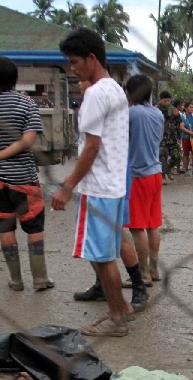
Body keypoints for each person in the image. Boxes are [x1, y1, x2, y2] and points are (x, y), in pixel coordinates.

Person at [51, 28, 133, 337]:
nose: (72, 69)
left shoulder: (97, 93)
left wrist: (67, 185)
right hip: (112, 184)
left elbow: (92, 146)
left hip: (99, 186)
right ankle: (121, 309)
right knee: (104, 255)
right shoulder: (115, 90)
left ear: (91, 58)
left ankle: (116, 316)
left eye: (75, 62)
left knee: (101, 257)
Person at [0, 56, 52, 292]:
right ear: (15, 78)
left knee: (6, 230)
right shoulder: (26, 104)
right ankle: (40, 279)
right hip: (25, 179)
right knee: (34, 229)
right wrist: (4, 153)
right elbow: (28, 140)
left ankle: (16, 280)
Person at [122, 74, 164, 288]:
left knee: (137, 227)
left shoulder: (131, 114)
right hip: (156, 173)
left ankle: (143, 273)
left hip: (138, 175)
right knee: (152, 224)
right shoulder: (158, 114)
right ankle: (154, 269)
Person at [158, 91, 181, 182]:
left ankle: (167, 169)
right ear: (160, 100)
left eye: (169, 101)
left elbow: (179, 123)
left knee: (177, 157)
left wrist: (177, 116)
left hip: (173, 138)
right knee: (162, 157)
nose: (167, 103)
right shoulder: (156, 110)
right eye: (165, 101)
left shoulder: (174, 109)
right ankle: (163, 176)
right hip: (161, 139)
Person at [180, 101, 193, 175]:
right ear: (186, 108)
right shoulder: (182, 116)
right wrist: (192, 133)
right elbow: (182, 127)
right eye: (190, 107)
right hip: (186, 138)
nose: (192, 108)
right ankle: (185, 168)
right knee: (185, 153)